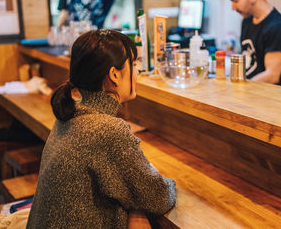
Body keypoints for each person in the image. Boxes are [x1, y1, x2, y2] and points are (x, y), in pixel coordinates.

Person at [26, 30, 176, 228]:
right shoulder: (108, 130)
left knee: (134, 205)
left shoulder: (69, 115)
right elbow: (158, 197)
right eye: (133, 64)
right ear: (114, 75)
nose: (138, 71)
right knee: (138, 208)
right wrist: (168, 183)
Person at [227, 0, 281, 86]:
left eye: (236, 1)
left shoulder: (278, 27)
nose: (233, 7)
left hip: (269, 101)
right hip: (249, 97)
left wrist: (238, 88)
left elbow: (272, 76)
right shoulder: (247, 22)